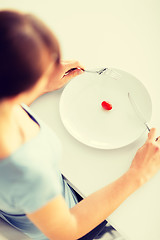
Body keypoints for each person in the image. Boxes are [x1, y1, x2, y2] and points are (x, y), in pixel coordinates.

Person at [0, 10, 160, 240]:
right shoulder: (26, 170)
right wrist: (138, 174)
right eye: (44, 71)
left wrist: (41, 86)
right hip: (63, 218)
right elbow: (66, 230)